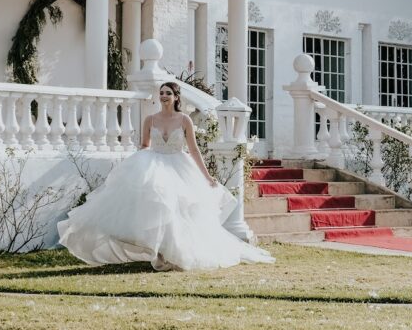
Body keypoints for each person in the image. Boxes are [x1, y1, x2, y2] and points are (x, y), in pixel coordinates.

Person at [57, 81, 274, 271]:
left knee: (179, 211)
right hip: (153, 162)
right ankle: (158, 252)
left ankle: (174, 254)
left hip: (179, 165)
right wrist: (135, 169)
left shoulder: (184, 120)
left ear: (176, 97)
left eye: (168, 93)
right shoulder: (150, 119)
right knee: (156, 208)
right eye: (161, 92)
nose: (163, 96)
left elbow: (194, 149)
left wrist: (207, 177)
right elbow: (144, 145)